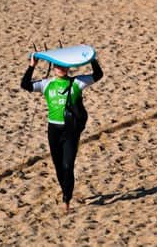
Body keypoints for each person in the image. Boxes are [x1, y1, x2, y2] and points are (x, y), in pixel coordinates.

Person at [20, 54, 103, 213]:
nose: (61, 68)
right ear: (53, 67)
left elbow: (97, 75)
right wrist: (32, 66)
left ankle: (67, 200)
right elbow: (25, 85)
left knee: (68, 165)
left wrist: (91, 58)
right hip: (53, 130)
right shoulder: (47, 84)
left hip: (70, 131)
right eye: (58, 66)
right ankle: (65, 191)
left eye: (64, 66)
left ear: (68, 67)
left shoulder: (76, 82)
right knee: (58, 167)